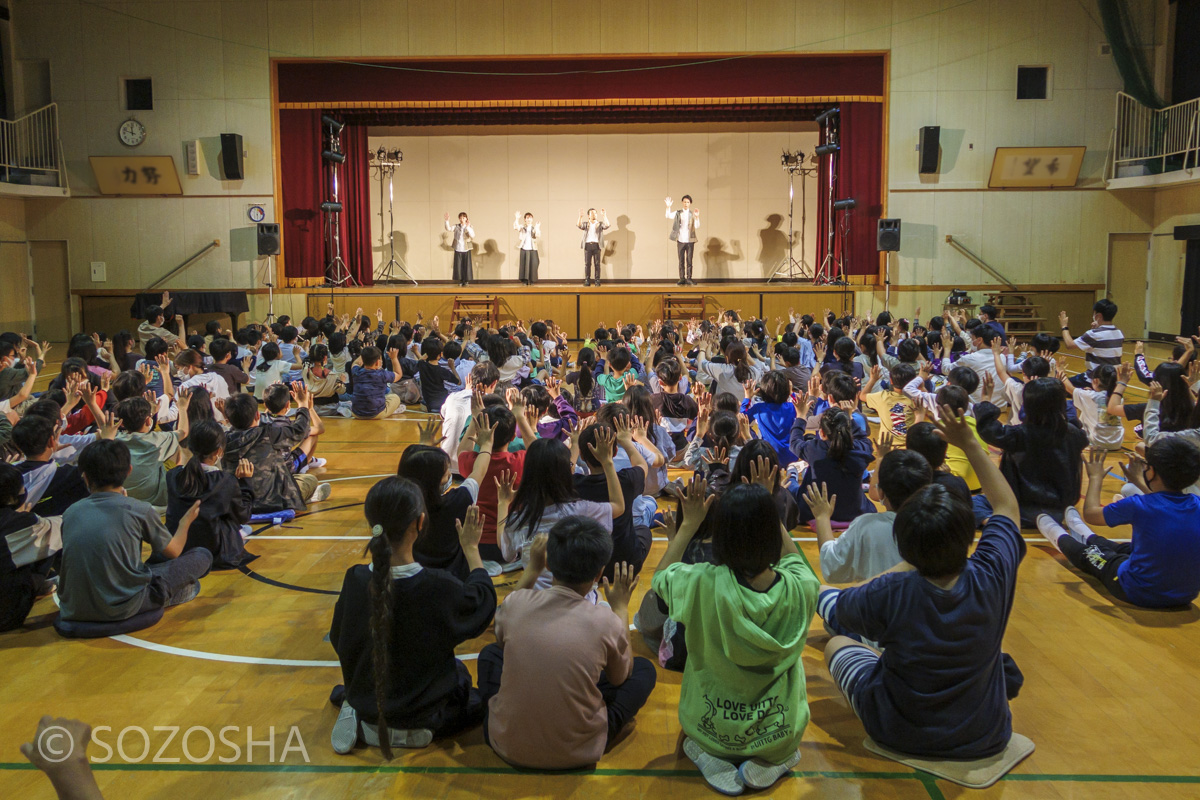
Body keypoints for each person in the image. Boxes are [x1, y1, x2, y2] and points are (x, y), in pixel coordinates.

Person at [819, 405, 1025, 760]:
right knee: (997, 661)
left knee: (837, 643)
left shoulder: (889, 591)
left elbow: (839, 608)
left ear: (907, 543)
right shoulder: (992, 574)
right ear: (966, 534)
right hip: (986, 733)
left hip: (898, 731)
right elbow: (1006, 506)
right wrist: (970, 444)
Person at [653, 475, 818, 795]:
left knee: (696, 738)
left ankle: (706, 753)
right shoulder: (803, 585)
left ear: (721, 539)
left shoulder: (700, 582)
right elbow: (793, 559)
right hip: (780, 732)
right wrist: (768, 506)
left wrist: (688, 526)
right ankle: (778, 760)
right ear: (774, 531)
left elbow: (660, 581)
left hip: (709, 730)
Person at [328, 477, 496, 756]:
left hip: (372, 706)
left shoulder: (355, 579)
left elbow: (338, 638)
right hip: (427, 718)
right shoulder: (438, 586)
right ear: (419, 523)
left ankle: (356, 704)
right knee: (465, 678)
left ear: (372, 524)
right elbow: (482, 603)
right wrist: (471, 550)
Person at [478, 519, 656, 770]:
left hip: (504, 742)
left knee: (489, 655)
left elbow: (501, 641)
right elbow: (619, 678)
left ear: (548, 563)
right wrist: (621, 609)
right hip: (579, 751)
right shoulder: (607, 620)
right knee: (643, 671)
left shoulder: (515, 604)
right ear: (598, 574)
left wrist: (532, 570)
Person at [59, 439, 212, 624]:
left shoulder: (70, 512)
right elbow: (174, 551)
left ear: (84, 477)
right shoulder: (139, 509)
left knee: (153, 562)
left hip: (74, 608)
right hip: (125, 605)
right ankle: (170, 595)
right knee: (202, 556)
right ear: (129, 471)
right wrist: (185, 522)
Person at [1038, 442, 1200, 608]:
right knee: (1127, 549)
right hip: (1186, 595)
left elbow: (1092, 514)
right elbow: (1164, 505)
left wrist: (1095, 478)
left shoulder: (1139, 505)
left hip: (1137, 591)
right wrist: (1138, 481)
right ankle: (1089, 536)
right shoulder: (1197, 503)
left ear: (1152, 471)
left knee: (1092, 556)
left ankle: (1058, 535)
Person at [974, 378, 1089, 527]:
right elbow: (1079, 432)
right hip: (1060, 510)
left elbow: (989, 429)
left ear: (1028, 406)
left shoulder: (1019, 435)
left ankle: (996, 522)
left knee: (975, 502)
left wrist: (986, 401)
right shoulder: (1075, 434)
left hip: (1020, 508)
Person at [808, 448, 932, 584]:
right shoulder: (941, 525)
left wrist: (822, 518)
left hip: (877, 603)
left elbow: (832, 568)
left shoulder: (867, 526)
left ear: (881, 493)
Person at [401, 417, 496, 581]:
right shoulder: (458, 500)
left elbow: (413, 471)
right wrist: (487, 444)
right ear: (438, 481)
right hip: (454, 578)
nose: (450, 475)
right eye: (447, 474)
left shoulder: (400, 504)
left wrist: (423, 448)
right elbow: (479, 471)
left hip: (414, 576)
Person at [164, 419, 255, 570]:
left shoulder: (173, 475)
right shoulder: (225, 480)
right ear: (219, 451)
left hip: (177, 547)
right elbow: (243, 515)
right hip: (214, 551)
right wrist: (245, 483)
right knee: (240, 526)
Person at [222, 388, 332, 512]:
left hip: (237, 502)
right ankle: (304, 497)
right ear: (257, 415)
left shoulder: (222, 439)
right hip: (270, 501)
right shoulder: (268, 433)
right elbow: (300, 429)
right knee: (309, 480)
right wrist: (302, 405)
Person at [0, 462, 62, 631]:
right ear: (12, 497)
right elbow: (62, 526)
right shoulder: (20, 524)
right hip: (5, 617)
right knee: (50, 539)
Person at [114, 393, 191, 509]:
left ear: (122, 423)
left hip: (122, 501)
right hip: (155, 503)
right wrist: (182, 408)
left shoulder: (114, 439)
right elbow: (183, 431)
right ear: (148, 421)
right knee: (179, 452)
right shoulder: (159, 439)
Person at [1059, 299, 1123, 388]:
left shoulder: (1094, 334)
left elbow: (1069, 344)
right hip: (1113, 380)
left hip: (1094, 380)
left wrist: (1064, 326)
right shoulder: (1119, 333)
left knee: (1060, 385)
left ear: (1098, 316)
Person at [351, 346, 409, 419]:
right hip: (376, 414)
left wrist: (364, 353)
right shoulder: (382, 374)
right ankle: (391, 411)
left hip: (356, 413)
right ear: (377, 362)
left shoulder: (356, 372)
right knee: (395, 397)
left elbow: (355, 363)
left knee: (386, 396)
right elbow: (398, 374)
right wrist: (394, 358)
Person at [666, 195, 700, 285]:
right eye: (684, 202)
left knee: (689, 260)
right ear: (682, 202)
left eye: (688, 202)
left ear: (690, 203)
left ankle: (689, 278)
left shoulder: (692, 213)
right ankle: (681, 278)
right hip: (680, 239)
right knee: (681, 260)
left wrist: (697, 217)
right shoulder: (678, 213)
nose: (686, 204)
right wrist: (668, 207)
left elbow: (697, 226)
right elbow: (668, 215)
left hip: (690, 241)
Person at [577, 207, 610, 287]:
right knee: (587, 264)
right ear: (588, 215)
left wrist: (604, 216)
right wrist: (580, 217)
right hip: (588, 245)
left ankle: (597, 281)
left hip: (596, 245)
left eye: (595, 213)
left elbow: (607, 225)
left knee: (597, 264)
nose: (594, 215)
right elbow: (579, 225)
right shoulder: (586, 224)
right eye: (592, 213)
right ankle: (587, 280)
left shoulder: (599, 224)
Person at [444, 211, 474, 286]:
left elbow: (473, 235)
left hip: (466, 248)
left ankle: (466, 280)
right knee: (458, 265)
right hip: (458, 248)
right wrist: (447, 221)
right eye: (460, 218)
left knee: (466, 265)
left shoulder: (469, 227)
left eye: (463, 218)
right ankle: (460, 280)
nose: (462, 219)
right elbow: (448, 229)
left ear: (466, 218)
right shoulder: (456, 226)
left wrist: (468, 227)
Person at [513, 211, 540, 285]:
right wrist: (517, 218)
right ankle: (525, 280)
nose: (529, 220)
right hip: (524, 248)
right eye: (527, 218)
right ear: (525, 219)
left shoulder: (534, 228)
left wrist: (537, 227)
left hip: (533, 249)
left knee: (534, 264)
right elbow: (516, 227)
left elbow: (537, 234)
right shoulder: (522, 227)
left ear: (532, 219)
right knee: (524, 265)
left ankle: (532, 280)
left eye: (530, 218)